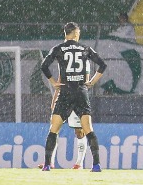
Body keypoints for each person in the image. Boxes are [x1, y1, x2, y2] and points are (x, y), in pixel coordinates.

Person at [41, 22, 107, 171]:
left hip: (65, 92)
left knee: (54, 129)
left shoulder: (58, 49)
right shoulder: (85, 48)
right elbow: (102, 65)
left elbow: (44, 65)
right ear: (76, 33)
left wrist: (53, 82)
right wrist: (91, 82)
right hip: (80, 92)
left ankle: (47, 165)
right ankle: (96, 165)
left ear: (65, 33)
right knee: (88, 129)